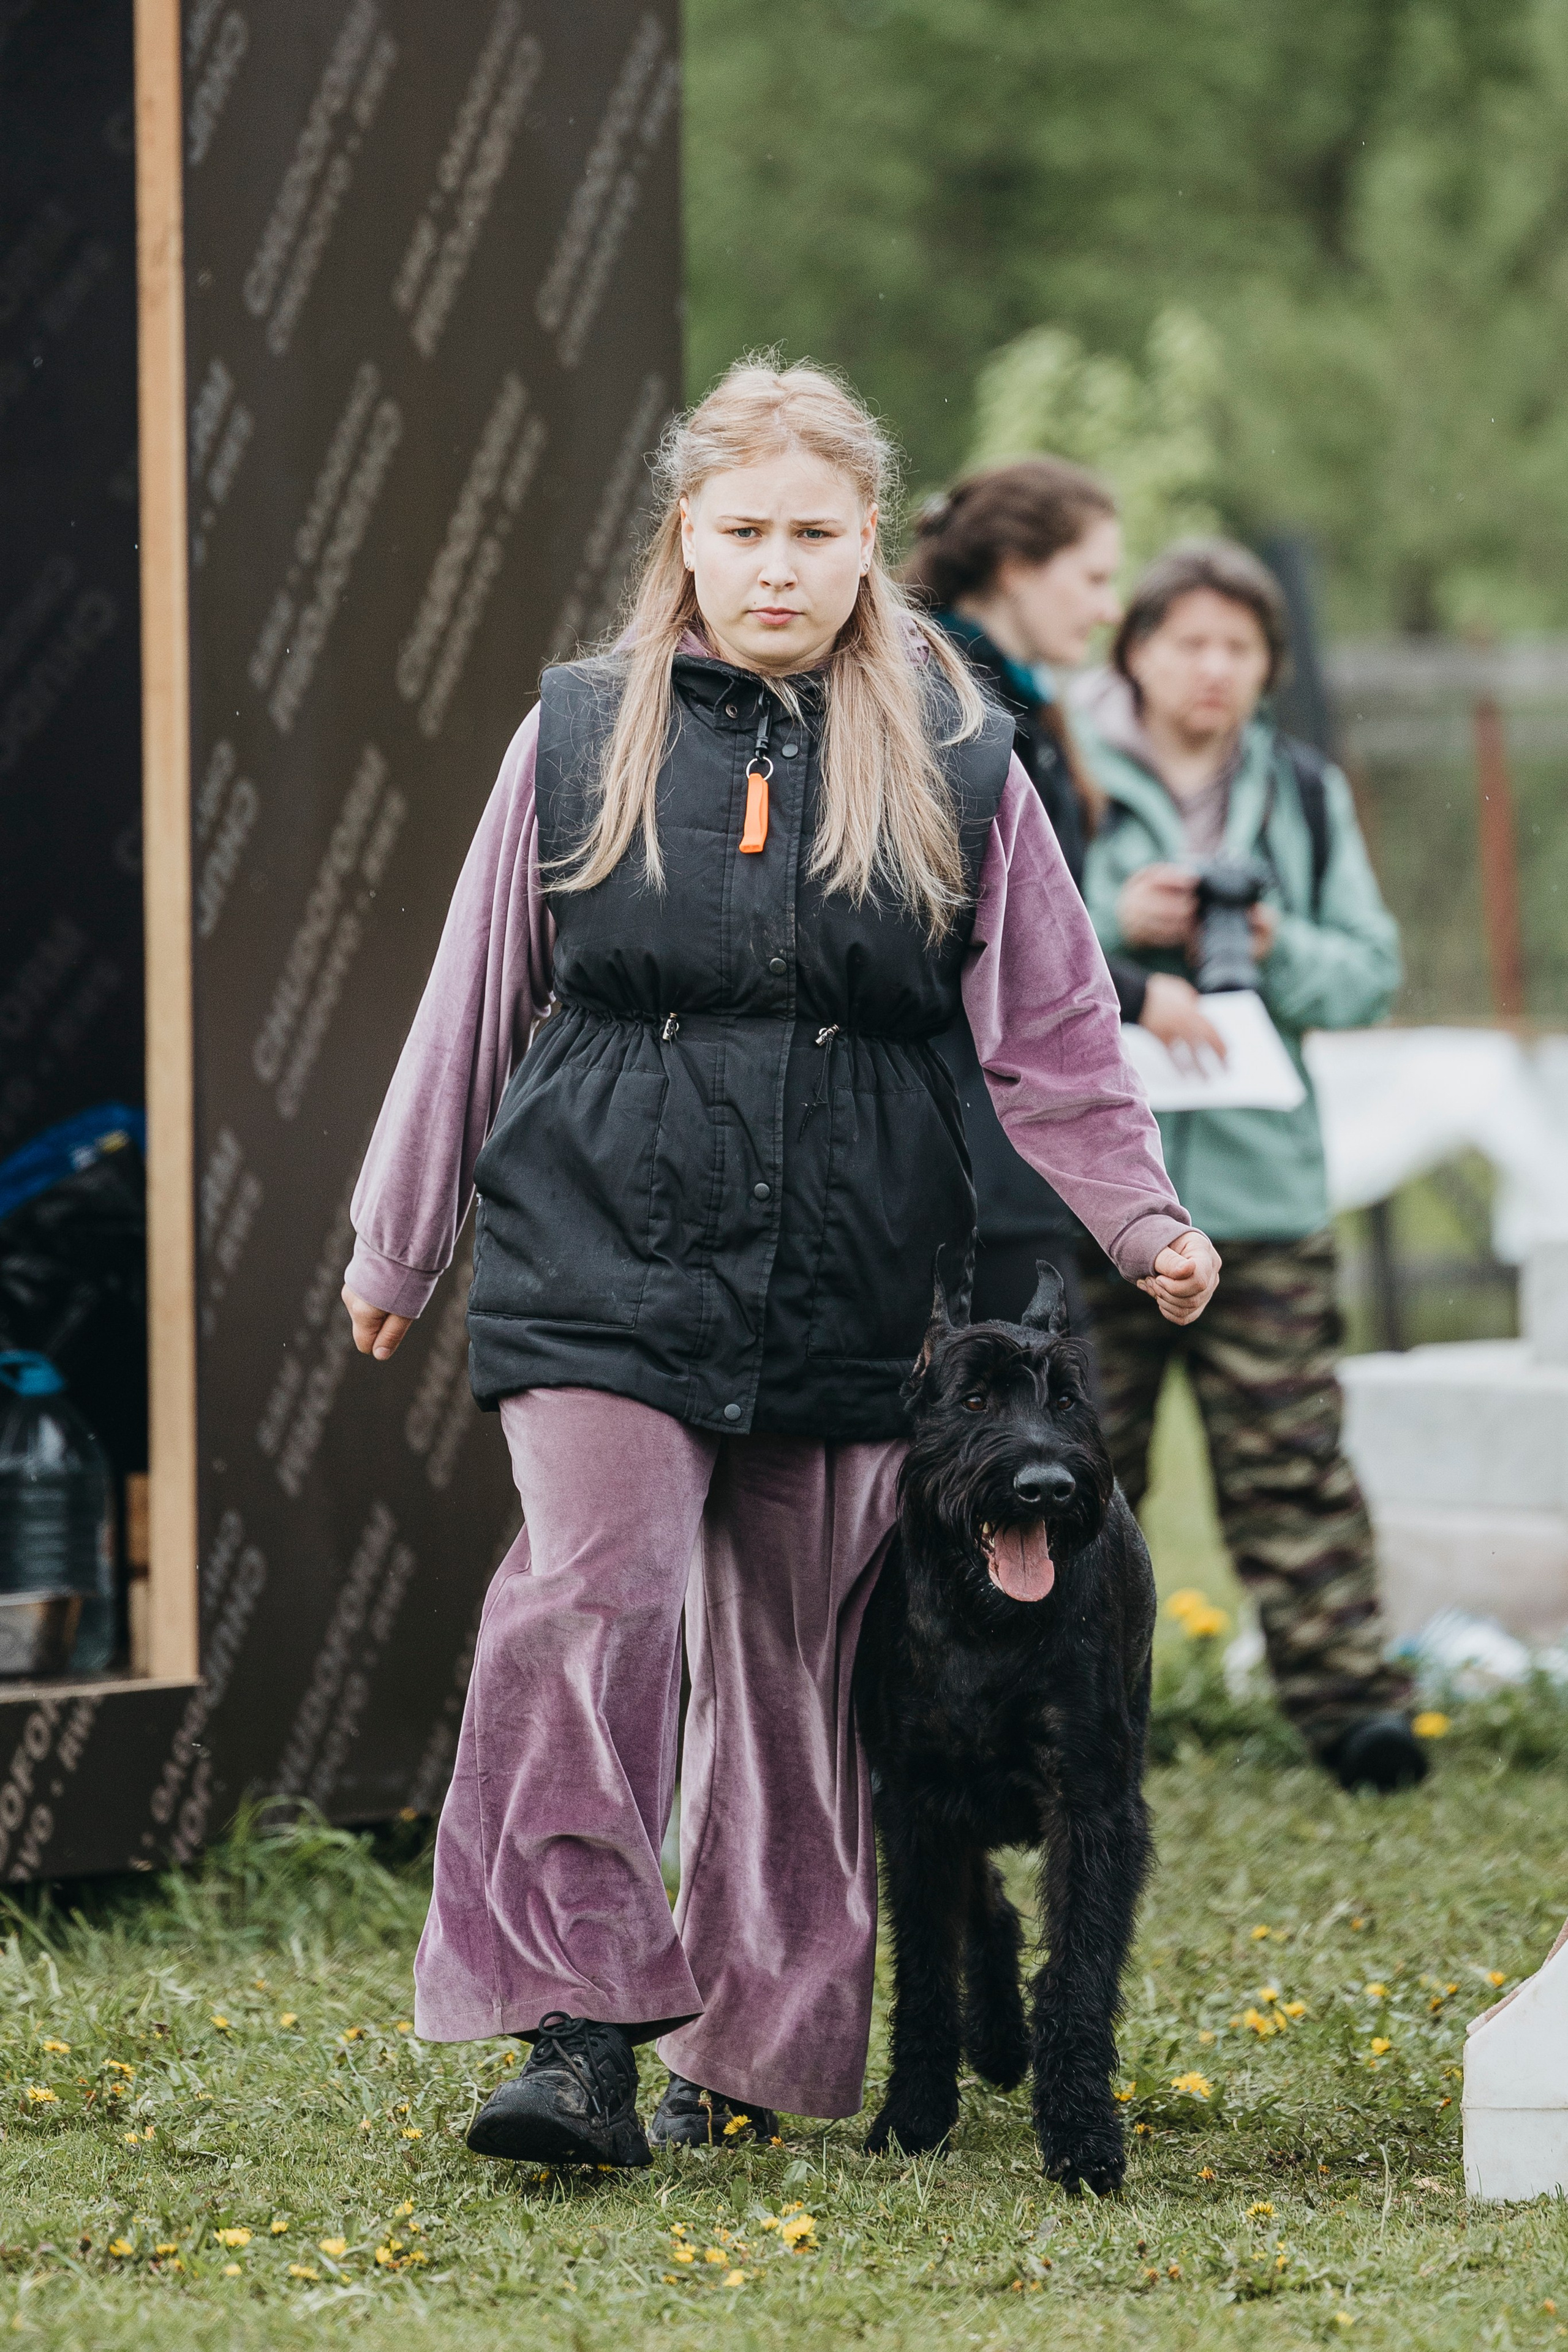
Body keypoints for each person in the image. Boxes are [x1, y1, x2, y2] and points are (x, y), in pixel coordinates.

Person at [341, 361, 1220, 2172]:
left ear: (866, 541)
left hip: (853, 1276)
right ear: (685, 534)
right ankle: (577, 2031)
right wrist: (398, 1236)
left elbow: (1057, 1027)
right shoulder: (580, 731)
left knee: (800, 1679)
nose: (776, 566)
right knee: (590, 1603)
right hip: (602, 1251)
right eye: (741, 530)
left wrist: (1142, 1220)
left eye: (813, 534)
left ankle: (744, 2053)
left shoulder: (962, 757)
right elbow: (472, 994)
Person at [1075, 536, 1422, 1793]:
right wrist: (1120, 927)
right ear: (1136, 652)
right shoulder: (1065, 770)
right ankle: (1064, 1724)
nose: (1212, 669)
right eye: (1188, 643)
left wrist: (1272, 942)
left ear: (1270, 666)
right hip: (1099, 1193)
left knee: (1292, 1466)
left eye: (1239, 647)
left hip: (1263, 1200)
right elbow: (1005, 947)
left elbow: (1369, 974)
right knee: (1079, 1468)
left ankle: (1352, 1712)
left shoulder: (1304, 792)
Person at [906, 461, 1226, 1327]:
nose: (1110, 607)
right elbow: (980, 937)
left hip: (1009, 1165)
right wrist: (1138, 993)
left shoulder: (1024, 709)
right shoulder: (947, 718)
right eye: (1091, 578)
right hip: (968, 1161)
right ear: (1017, 569)